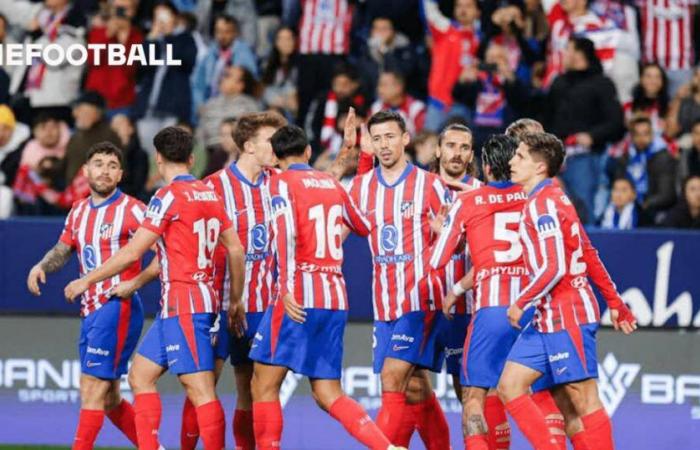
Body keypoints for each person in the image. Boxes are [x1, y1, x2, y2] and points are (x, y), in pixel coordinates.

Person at [64, 126, 247, 450]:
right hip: (178, 304)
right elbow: (234, 248)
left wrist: (86, 280)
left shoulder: (166, 197)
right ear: (191, 158)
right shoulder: (209, 193)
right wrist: (234, 300)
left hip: (187, 301)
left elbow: (134, 252)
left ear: (158, 159)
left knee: (200, 389)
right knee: (140, 377)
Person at [248, 124, 402, 450]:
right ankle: (387, 448)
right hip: (334, 297)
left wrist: (287, 288)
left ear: (275, 157)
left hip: (298, 294)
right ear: (307, 152)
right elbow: (362, 224)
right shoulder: (332, 184)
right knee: (328, 392)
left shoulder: (279, 183)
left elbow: (285, 233)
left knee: (263, 385)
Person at [498, 131, 637, 450]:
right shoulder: (553, 197)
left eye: (519, 156)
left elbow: (554, 266)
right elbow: (588, 251)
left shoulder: (542, 205)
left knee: (583, 398)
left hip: (568, 312)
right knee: (510, 386)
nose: (511, 161)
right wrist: (615, 301)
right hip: (546, 317)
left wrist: (520, 301)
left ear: (539, 167)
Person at [177, 111, 286, 450]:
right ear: (249, 145)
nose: (278, 148)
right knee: (203, 387)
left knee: (250, 390)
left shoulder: (280, 183)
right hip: (220, 306)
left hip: (264, 305)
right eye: (272, 141)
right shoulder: (212, 187)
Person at [26, 142, 145, 450]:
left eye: (111, 165)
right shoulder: (79, 210)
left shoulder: (134, 210)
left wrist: (137, 282)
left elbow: (167, 252)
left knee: (91, 388)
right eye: (98, 164)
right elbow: (64, 248)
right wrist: (41, 266)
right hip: (90, 310)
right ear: (85, 171)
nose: (104, 170)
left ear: (120, 174)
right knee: (109, 399)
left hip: (117, 306)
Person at [348, 110, 451, 448]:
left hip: (421, 300)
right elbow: (338, 225)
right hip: (385, 305)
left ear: (406, 138)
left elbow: (458, 233)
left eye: (390, 136)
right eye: (377, 139)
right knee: (416, 385)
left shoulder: (430, 184)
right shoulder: (361, 187)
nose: (384, 145)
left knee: (391, 377)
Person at [430, 134, 527, 450]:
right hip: (533, 311)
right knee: (551, 398)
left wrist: (442, 232)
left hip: (490, 312)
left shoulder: (468, 200)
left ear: (484, 166)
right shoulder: (533, 198)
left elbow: (438, 260)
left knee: (474, 396)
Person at [545, 37, 624, 223]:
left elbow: (616, 123)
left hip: (585, 158)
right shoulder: (559, 83)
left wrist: (592, 136)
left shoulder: (602, 84)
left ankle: (587, 249)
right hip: (554, 158)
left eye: (568, 49)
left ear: (579, 54)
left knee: (583, 209)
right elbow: (545, 117)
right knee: (552, 209)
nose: (563, 54)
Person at [421, 0, 481, 131]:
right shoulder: (446, 29)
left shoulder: (482, 39)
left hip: (463, 105)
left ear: (478, 11)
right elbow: (429, 9)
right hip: (438, 103)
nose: (463, 10)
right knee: (428, 146)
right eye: (459, 5)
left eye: (468, 6)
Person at [191, 14, 258, 121]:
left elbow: (248, 83)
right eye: (218, 31)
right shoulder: (210, 53)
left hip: (235, 106)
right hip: (209, 107)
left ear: (235, 33)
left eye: (227, 32)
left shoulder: (244, 53)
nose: (222, 36)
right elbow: (197, 83)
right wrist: (199, 105)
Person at [611, 116, 677, 219]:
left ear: (652, 135)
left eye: (646, 133)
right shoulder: (624, 159)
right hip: (627, 206)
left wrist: (644, 204)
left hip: (654, 209)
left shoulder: (663, 158)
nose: (641, 138)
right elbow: (618, 186)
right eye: (637, 134)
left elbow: (667, 195)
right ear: (631, 137)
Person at [369, 71, 426, 137]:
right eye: (379, 85)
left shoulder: (416, 108)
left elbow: (422, 138)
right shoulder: (376, 108)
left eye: (383, 85)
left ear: (399, 87)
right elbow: (368, 135)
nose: (379, 89)